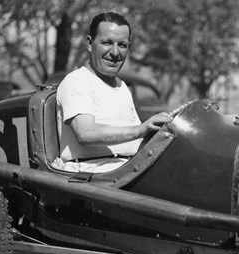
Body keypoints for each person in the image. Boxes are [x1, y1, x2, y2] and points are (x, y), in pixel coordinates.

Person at [53, 12, 171, 173]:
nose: (115, 53)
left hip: (126, 171)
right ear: (89, 43)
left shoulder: (121, 86)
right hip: (91, 177)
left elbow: (135, 142)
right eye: (107, 42)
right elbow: (85, 133)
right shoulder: (77, 81)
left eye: (122, 45)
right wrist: (140, 130)